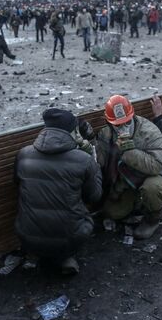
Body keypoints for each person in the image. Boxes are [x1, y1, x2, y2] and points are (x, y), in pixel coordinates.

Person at [15, 109, 102, 274]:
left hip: (25, 234)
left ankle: (35, 254)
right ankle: (65, 257)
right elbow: (94, 196)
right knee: (82, 218)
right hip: (68, 238)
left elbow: (17, 184)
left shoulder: (23, 155)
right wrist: (94, 163)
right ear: (72, 131)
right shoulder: (83, 159)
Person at [95, 95, 162, 239]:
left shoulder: (149, 132)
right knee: (112, 213)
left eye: (126, 122)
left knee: (152, 188)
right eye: (117, 124)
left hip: (160, 173)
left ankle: (153, 219)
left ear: (132, 116)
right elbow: (100, 163)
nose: (123, 128)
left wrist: (129, 152)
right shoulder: (107, 134)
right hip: (129, 176)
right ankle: (138, 202)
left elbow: (157, 166)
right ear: (109, 122)